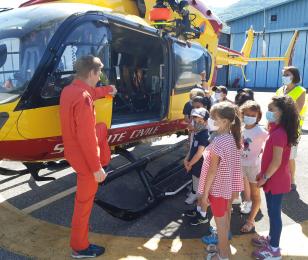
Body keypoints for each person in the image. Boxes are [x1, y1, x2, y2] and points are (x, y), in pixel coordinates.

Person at [59, 55, 117, 258]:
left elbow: (90, 92)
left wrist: (106, 90)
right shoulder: (83, 97)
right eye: (99, 72)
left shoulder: (70, 90)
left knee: (101, 128)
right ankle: (80, 247)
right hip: (85, 159)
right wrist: (96, 168)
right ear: (92, 72)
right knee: (83, 206)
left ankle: (105, 161)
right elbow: (86, 137)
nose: (100, 75)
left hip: (72, 150)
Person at [252, 96, 300, 260]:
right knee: (272, 212)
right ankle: (272, 239)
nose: (268, 112)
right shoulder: (276, 129)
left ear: (282, 113)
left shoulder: (279, 133)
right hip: (272, 177)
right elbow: (270, 157)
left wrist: (264, 177)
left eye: (272, 110)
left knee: (274, 213)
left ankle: (274, 250)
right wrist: (263, 174)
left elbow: (277, 160)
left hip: (276, 179)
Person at [198, 102, 243, 260]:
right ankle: (223, 249)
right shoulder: (232, 138)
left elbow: (212, 172)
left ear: (224, 122)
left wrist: (204, 196)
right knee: (225, 220)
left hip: (217, 189)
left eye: (213, 117)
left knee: (221, 224)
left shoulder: (218, 143)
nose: (209, 120)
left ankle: (222, 255)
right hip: (227, 187)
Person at [275, 66, 307, 191]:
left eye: (287, 74)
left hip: (292, 128)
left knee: (289, 156)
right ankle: (280, 177)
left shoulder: (300, 91)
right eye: (283, 74)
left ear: (294, 76)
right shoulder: (280, 90)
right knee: (278, 155)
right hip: (278, 127)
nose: (284, 77)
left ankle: (291, 180)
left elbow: (297, 110)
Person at [239, 101, 268, 233]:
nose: (249, 117)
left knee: (255, 194)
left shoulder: (261, 131)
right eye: (246, 114)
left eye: (253, 115)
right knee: (245, 191)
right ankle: (246, 202)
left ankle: (250, 221)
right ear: (242, 114)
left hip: (254, 167)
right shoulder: (240, 128)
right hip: (241, 164)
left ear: (258, 116)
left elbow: (269, 145)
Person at [183, 107, 210, 223]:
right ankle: (198, 209)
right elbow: (192, 149)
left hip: (201, 168)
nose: (197, 123)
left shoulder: (204, 134)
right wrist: (186, 159)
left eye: (200, 121)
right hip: (195, 167)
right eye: (195, 120)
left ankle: (202, 216)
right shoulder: (197, 133)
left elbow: (199, 153)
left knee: (201, 193)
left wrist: (190, 164)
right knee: (198, 190)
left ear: (206, 121)